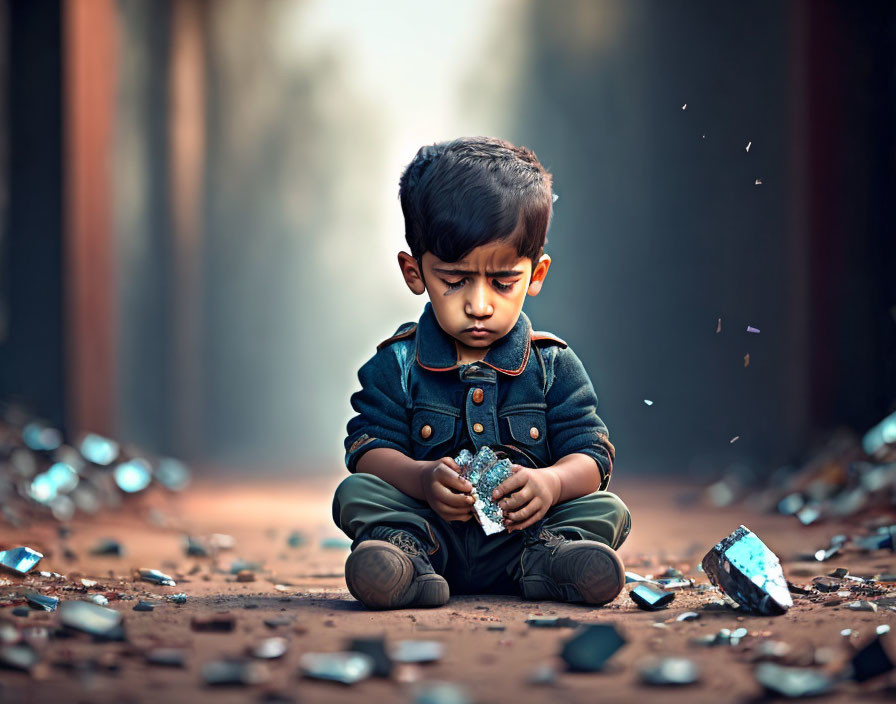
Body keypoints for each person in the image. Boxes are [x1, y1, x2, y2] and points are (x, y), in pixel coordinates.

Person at [332, 136, 631, 610]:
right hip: (430, 532)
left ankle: (551, 563)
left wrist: (549, 483)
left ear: (535, 275)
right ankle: (405, 564)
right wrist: (422, 478)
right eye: (454, 281)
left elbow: (592, 456)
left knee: (607, 510)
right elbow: (367, 448)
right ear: (415, 273)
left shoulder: (552, 365)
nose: (478, 304)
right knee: (356, 494)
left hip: (526, 536)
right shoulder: (399, 363)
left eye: (502, 282)